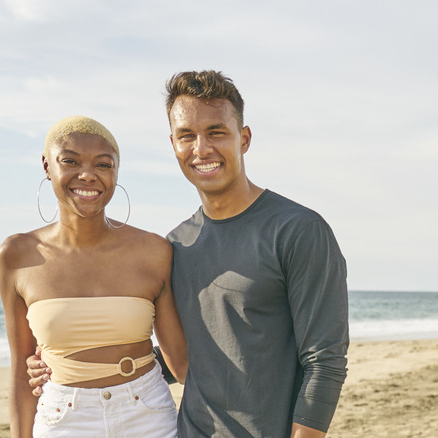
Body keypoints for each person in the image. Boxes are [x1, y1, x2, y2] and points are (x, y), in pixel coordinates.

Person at [28, 71, 349, 437]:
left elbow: (325, 362)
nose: (201, 149)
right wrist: (62, 359)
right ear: (173, 144)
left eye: (216, 132)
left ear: (243, 139)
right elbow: (180, 355)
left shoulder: (298, 230)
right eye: (186, 136)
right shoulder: (176, 243)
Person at [0, 115, 188, 438]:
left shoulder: (154, 250)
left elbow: (183, 364)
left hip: (148, 413)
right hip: (62, 417)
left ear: (115, 173)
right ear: (47, 166)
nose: (87, 175)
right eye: (70, 161)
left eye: (103, 165)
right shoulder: (17, 255)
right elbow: (20, 371)